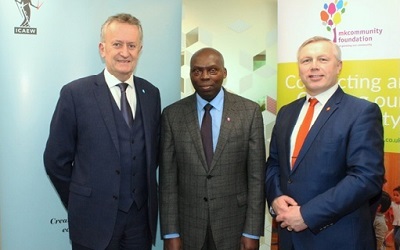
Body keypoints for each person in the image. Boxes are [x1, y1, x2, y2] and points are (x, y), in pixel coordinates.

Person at [44, 13, 160, 250]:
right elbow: (56, 160)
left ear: (140, 49)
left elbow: (153, 156)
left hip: (140, 223)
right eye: (117, 44)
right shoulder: (76, 94)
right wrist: (81, 200)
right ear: (102, 48)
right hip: (92, 221)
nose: (125, 52)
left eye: (131, 45)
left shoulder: (151, 94)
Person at [265, 36, 384, 249]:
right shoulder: (286, 112)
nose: (314, 67)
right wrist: (275, 198)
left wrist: (307, 214)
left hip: (337, 238)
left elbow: (365, 178)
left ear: (339, 66)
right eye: (306, 60)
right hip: (290, 238)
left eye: (322, 59)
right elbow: (274, 163)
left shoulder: (361, 112)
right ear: (299, 68)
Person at [159, 47, 266, 250]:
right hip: (188, 227)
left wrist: (252, 231)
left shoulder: (249, 112)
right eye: (197, 71)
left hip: (234, 226)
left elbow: (256, 178)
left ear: (224, 73)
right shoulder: (172, 115)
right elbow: (168, 181)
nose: (204, 77)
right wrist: (171, 233)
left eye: (212, 70)